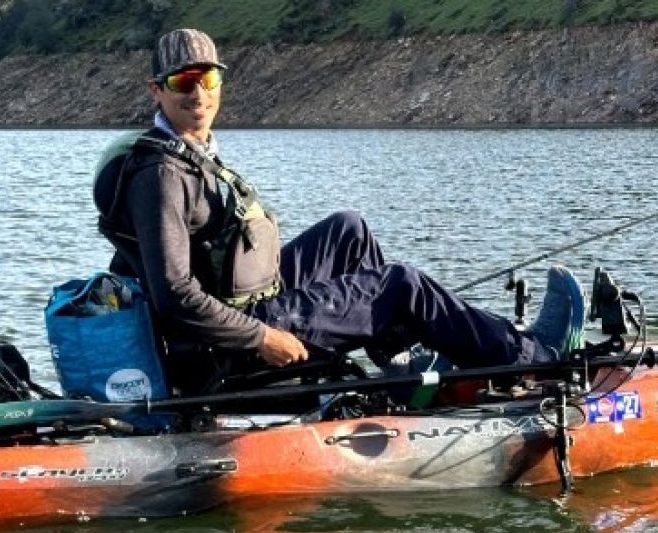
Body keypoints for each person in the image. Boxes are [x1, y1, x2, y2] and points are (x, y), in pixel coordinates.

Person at [94, 28, 584, 390]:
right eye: (183, 81)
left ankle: (397, 359)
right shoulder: (161, 175)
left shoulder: (187, 151)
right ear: (157, 90)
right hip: (225, 344)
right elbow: (174, 297)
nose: (198, 93)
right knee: (400, 284)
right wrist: (262, 337)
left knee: (348, 230)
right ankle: (533, 357)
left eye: (208, 78)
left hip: (244, 300)